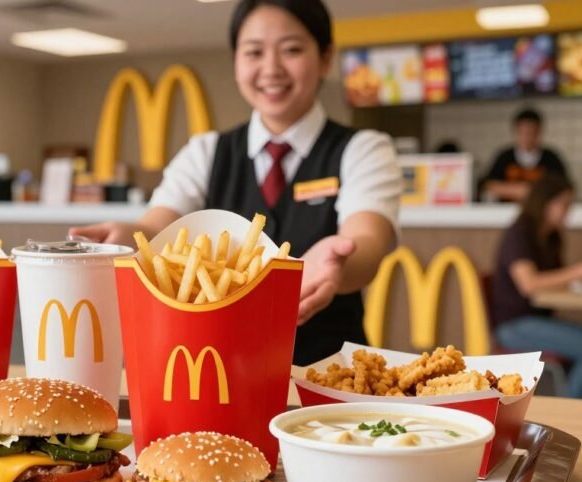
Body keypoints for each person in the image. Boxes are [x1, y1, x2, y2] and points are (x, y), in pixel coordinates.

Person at [70, 0, 401, 365]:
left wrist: (338, 262)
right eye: (254, 52)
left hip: (328, 376)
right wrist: (129, 236)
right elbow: (157, 225)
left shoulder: (364, 148)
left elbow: (368, 241)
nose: (271, 69)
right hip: (217, 370)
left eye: (291, 50)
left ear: (325, 58)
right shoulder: (207, 151)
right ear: (236, 63)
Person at [492, 174, 582, 399]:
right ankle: (570, 408)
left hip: (540, 319)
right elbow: (529, 284)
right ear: (544, 203)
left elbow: (555, 279)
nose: (568, 211)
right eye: (564, 204)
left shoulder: (552, 237)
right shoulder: (519, 233)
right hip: (514, 325)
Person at [481, 108, 568, 202]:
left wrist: (533, 191)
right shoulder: (504, 157)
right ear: (516, 131)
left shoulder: (551, 159)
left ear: (539, 132)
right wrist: (515, 190)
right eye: (523, 133)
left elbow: (564, 188)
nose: (527, 137)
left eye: (531, 133)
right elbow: (487, 185)